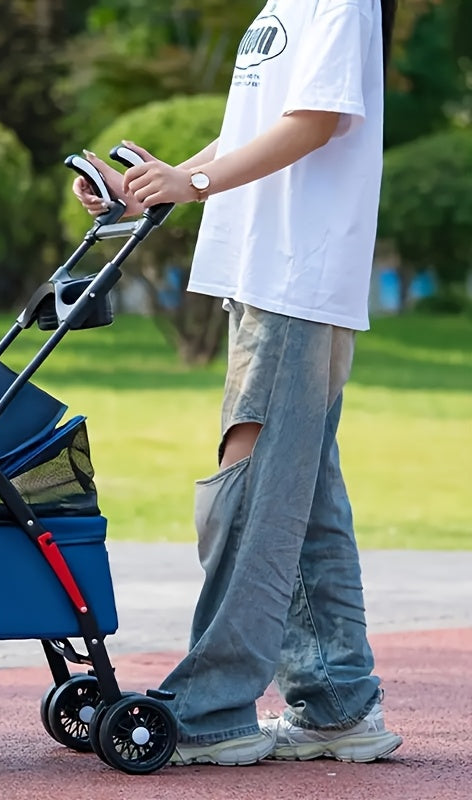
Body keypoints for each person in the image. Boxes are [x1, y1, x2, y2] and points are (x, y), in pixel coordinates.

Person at [73, 0, 403, 766]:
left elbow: (316, 120)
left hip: (295, 278)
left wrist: (190, 181)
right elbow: (262, 125)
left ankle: (213, 708)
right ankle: (338, 702)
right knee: (303, 496)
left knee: (247, 496)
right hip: (263, 276)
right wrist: (159, 182)